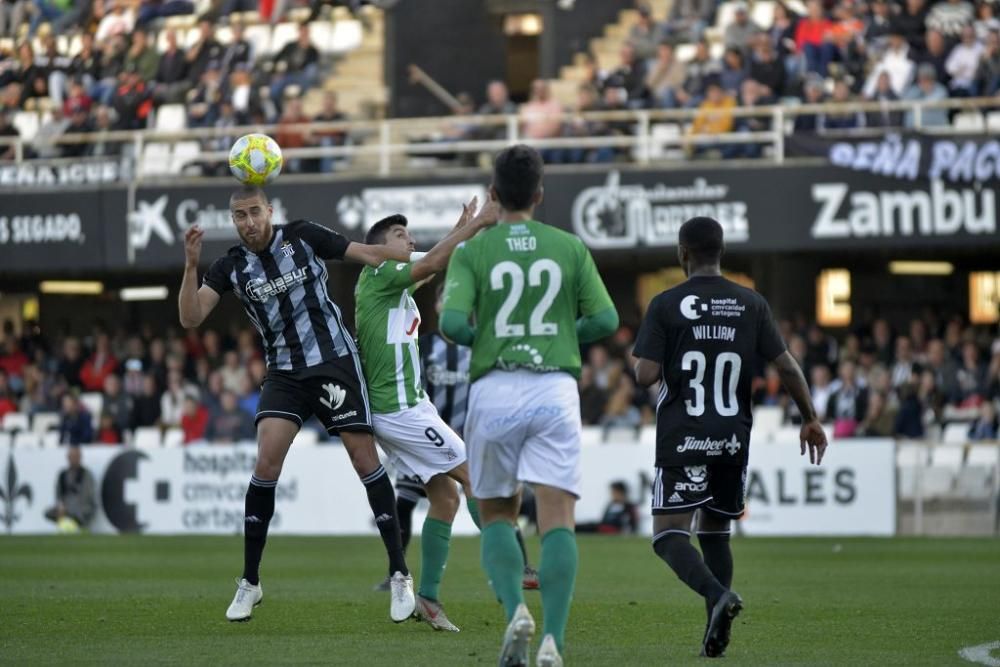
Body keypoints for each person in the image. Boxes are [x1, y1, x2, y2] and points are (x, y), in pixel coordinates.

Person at [178, 185, 417, 623]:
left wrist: (442, 250)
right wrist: (191, 265)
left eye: (254, 212)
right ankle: (250, 582)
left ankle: (400, 574)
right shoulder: (231, 266)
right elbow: (191, 317)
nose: (248, 222)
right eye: (239, 216)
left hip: (334, 363)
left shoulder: (303, 236)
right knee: (266, 463)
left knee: (364, 459)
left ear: (270, 211)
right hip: (285, 374)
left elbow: (370, 254)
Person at [440, 145, 618, 666]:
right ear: (539, 195)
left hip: (494, 387)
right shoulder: (568, 247)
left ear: (494, 194)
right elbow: (606, 321)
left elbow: (451, 325)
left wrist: (492, 337)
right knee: (558, 516)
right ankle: (553, 644)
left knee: (497, 512)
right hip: (553, 389)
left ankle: (517, 609)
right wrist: (563, 334)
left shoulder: (474, 252)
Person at [632, 216, 827, 658]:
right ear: (721, 253)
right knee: (716, 531)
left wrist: (653, 352)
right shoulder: (751, 303)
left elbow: (644, 375)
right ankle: (714, 635)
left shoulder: (666, 304)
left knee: (668, 535)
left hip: (685, 436)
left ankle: (718, 595)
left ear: (682, 253)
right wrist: (810, 418)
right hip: (733, 436)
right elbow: (787, 366)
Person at [354, 202, 499, 631]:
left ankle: (430, 599)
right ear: (378, 248)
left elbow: (433, 264)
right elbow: (433, 261)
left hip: (409, 407)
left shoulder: (393, 283)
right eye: (401, 235)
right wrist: (477, 224)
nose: (410, 240)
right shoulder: (379, 273)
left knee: (446, 497)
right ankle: (510, 570)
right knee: (474, 477)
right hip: (399, 410)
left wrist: (461, 228)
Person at [374, 283, 540, 594]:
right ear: (435, 307)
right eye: (443, 299)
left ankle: (521, 565)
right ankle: (397, 571)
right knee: (406, 503)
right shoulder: (421, 345)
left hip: (470, 439)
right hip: (424, 436)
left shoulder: (480, 345)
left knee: (485, 496)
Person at [44, 446, 97, 531]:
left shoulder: (86, 474)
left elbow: (88, 496)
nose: (73, 459)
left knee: (82, 512)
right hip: (66, 508)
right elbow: (58, 494)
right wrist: (61, 505)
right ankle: (67, 524)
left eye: (76, 457)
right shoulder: (62, 474)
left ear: (80, 458)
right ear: (67, 458)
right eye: (71, 457)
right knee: (48, 512)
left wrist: (72, 509)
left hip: (81, 507)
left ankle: (73, 523)